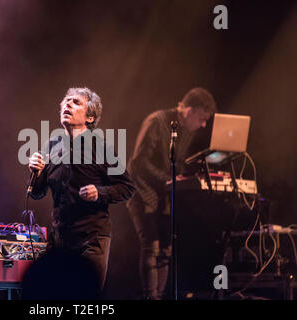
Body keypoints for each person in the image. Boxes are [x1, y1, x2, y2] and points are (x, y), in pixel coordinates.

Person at [28, 87, 135, 291]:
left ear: (90, 117)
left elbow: (127, 187)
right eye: (66, 100)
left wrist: (99, 193)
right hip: (59, 241)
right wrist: (36, 172)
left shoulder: (100, 148)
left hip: (91, 239)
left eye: (76, 102)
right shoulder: (52, 146)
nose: (67, 104)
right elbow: (37, 192)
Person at [127, 87, 217, 300]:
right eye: (202, 118)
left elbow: (174, 164)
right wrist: (168, 178)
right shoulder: (157, 121)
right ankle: (152, 297)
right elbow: (139, 161)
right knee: (152, 247)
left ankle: (159, 295)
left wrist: (193, 172)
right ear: (188, 110)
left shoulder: (187, 130)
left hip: (163, 194)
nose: (203, 125)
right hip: (143, 192)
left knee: (166, 250)